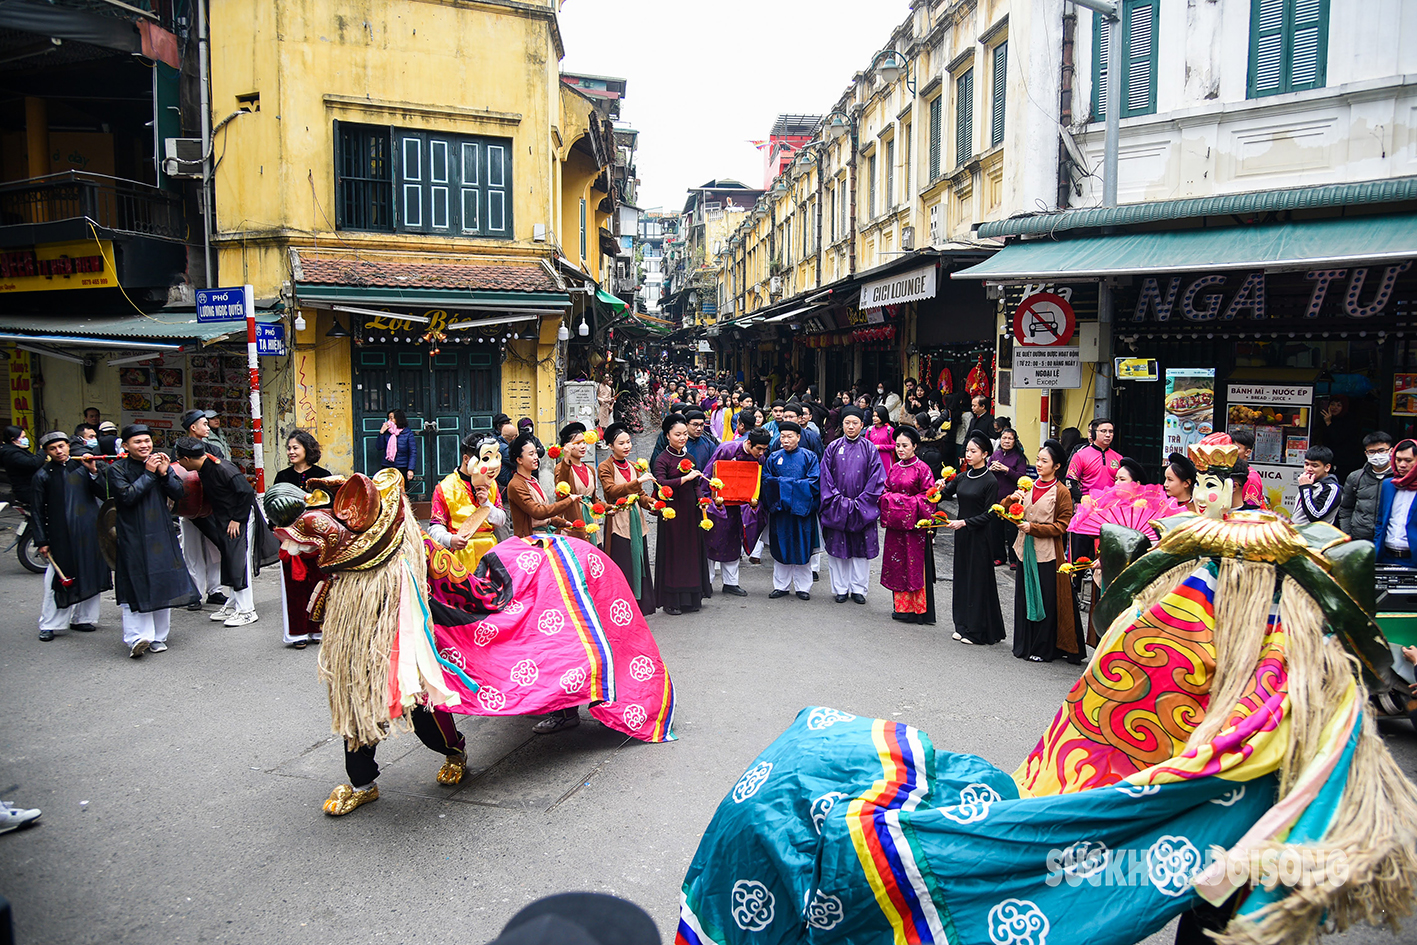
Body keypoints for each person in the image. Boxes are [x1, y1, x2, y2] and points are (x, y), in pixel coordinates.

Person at [108, 424, 199, 657]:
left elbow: (178, 493)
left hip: (161, 532)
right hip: (132, 535)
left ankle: (159, 636)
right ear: (126, 446)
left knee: (162, 581)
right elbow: (127, 497)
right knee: (135, 583)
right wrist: (149, 474)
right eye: (138, 442)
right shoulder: (117, 469)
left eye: (147, 441)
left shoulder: (160, 465)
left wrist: (163, 473)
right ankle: (137, 638)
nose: (144, 445)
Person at [175, 437, 275, 627]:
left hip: (240, 516)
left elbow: (245, 492)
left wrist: (237, 519)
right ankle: (233, 604)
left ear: (187, 459)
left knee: (239, 561)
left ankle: (247, 610)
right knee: (229, 559)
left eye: (179, 459)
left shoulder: (222, 468)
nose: (178, 463)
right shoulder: (204, 468)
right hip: (226, 518)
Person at [1006, 440, 1083, 664]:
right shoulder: (1028, 485)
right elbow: (1009, 510)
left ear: (1056, 466)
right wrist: (1011, 500)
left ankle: (1044, 647)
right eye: (1038, 459)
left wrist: (1034, 528)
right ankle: (1024, 643)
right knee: (1023, 596)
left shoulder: (1061, 492)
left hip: (1047, 553)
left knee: (1046, 600)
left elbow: (1062, 526)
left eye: (1044, 461)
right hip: (1023, 549)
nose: (1039, 464)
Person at [30, 431, 110, 641]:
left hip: (89, 529)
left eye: (61, 446)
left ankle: (83, 618)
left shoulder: (83, 467)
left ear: (68, 446)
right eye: (53, 448)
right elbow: (37, 511)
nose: (59, 451)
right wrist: (42, 540)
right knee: (59, 578)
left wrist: (94, 472)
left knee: (90, 571)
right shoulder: (43, 475)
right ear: (46, 452)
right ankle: (50, 623)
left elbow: (104, 493)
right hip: (61, 534)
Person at [940, 431, 1006, 643]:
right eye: (967, 450)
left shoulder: (990, 481)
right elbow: (942, 495)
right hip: (962, 535)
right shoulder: (962, 477)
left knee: (977, 581)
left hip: (980, 536)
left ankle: (977, 630)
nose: (968, 455)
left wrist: (965, 522)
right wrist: (939, 487)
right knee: (961, 578)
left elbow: (990, 514)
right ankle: (961, 624)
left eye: (973, 451)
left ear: (985, 454)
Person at [819, 406, 884, 604]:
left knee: (861, 550)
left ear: (862, 425)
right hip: (837, 507)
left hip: (862, 507)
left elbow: (877, 479)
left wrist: (861, 502)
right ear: (842, 425)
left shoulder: (870, 448)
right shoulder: (832, 447)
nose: (851, 426)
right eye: (847, 423)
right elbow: (825, 476)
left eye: (855, 423)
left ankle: (859, 589)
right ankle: (840, 588)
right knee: (839, 550)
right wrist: (837, 500)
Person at [879, 426, 944, 625]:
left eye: (905, 445)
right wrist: (894, 500)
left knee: (914, 566)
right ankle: (901, 608)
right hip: (896, 528)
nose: (900, 449)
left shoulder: (923, 469)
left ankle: (918, 609)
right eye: (897, 445)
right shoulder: (894, 468)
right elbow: (885, 492)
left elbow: (929, 497)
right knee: (898, 565)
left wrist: (900, 502)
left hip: (915, 529)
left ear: (915, 446)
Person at [273, 429, 332, 648]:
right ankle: (297, 633)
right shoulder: (282, 477)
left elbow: (331, 507)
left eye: (295, 447)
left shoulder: (323, 475)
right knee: (294, 586)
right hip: (290, 538)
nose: (291, 452)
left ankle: (317, 630)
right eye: (289, 448)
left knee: (319, 583)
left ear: (307, 449)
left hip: (317, 539)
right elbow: (275, 507)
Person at [652, 414, 712, 615]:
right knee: (674, 555)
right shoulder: (662, 459)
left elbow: (696, 484)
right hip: (672, 514)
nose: (682, 438)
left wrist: (702, 501)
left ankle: (692, 598)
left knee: (691, 554)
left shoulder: (690, 458)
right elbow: (661, 484)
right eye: (677, 434)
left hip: (691, 512)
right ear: (667, 435)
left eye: (684, 434)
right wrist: (684, 479)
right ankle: (672, 601)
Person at [598, 423, 657, 615]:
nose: (627, 446)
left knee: (639, 560)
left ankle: (641, 604)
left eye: (629, 442)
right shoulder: (605, 467)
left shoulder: (632, 466)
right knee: (622, 563)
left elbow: (640, 494)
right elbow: (611, 491)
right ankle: (622, 606)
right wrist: (637, 482)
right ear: (610, 446)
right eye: (621, 443)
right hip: (617, 519)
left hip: (635, 519)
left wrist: (653, 504)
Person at [704, 428, 770, 596]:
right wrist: (706, 499)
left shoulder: (760, 459)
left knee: (733, 542)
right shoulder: (727, 449)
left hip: (741, 507)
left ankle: (731, 582)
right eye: (759, 449)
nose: (761, 453)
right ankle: (706, 581)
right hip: (718, 503)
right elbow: (709, 472)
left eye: (764, 449)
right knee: (711, 541)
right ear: (748, 443)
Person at [762, 421, 820, 601]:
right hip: (781, 511)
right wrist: (788, 488)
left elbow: (814, 482)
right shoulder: (773, 457)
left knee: (803, 547)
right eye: (783, 436)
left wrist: (784, 485)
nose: (786, 440)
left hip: (802, 511)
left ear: (798, 437)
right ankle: (781, 586)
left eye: (790, 436)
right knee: (781, 545)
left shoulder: (809, 457)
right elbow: (766, 480)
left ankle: (804, 587)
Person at [504, 432, 578, 538]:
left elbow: (543, 512)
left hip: (543, 536)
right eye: (531, 454)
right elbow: (538, 512)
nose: (536, 457)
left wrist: (560, 522)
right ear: (519, 460)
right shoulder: (516, 485)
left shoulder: (533, 480)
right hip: (530, 539)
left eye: (536, 453)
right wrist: (569, 501)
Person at [1338, 431, 1394, 540]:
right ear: (1366, 454)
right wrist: (1348, 534)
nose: (1377, 455)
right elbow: (1345, 508)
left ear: (1391, 451)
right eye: (1372, 452)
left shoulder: (1400, 478)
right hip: (1360, 538)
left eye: (1382, 450)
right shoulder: (1355, 477)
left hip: (1388, 539)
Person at [554, 422, 600, 544]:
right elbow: (561, 490)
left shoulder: (589, 469)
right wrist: (566, 459)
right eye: (578, 443)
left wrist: (607, 508)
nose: (583, 446)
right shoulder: (562, 468)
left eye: (584, 442)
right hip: (573, 518)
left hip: (590, 518)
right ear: (567, 446)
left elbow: (594, 498)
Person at [988, 428, 1028, 567]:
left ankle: (1014, 559)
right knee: (995, 530)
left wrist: (1006, 470)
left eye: (1010, 438)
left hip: (1012, 499)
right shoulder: (995, 455)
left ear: (1014, 440)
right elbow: (986, 473)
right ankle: (999, 556)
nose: (1006, 441)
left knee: (1012, 531)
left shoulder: (1019, 457)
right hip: (996, 499)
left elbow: (1022, 478)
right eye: (1004, 438)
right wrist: (991, 470)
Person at [1374, 440, 1417, 566]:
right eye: (1398, 460)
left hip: (1413, 559)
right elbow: (1380, 521)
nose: (1402, 465)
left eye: (1408, 460)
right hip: (1386, 557)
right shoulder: (1389, 485)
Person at [1290, 445, 1342, 526]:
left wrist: (1306, 488)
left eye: (1315, 466)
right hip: (1297, 533)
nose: (1309, 469)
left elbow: (1315, 515)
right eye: (1306, 464)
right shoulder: (1309, 483)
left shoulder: (1332, 488)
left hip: (1315, 536)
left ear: (1327, 467)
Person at [0, 425, 43, 508]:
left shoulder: (16, 450)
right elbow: (33, 463)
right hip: (28, 491)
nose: (25, 439)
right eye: (23, 437)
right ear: (13, 440)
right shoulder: (11, 453)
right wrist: (43, 451)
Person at [1229, 429, 1266, 509]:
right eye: (1229, 447)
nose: (1230, 452)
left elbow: (1250, 511)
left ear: (1247, 452)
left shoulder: (1252, 478)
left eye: (1235, 448)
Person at [377, 409, 417, 481]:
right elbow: (379, 447)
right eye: (388, 418)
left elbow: (412, 452)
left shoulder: (407, 433)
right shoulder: (387, 432)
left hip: (402, 466)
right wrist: (381, 433)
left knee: (401, 490)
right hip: (387, 466)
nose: (389, 421)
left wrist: (410, 469)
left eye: (391, 418)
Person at [866, 405, 896, 474]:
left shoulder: (889, 429)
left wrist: (880, 447)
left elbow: (894, 446)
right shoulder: (870, 430)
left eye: (877, 416)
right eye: (874, 416)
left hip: (886, 459)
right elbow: (866, 445)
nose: (874, 418)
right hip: (872, 458)